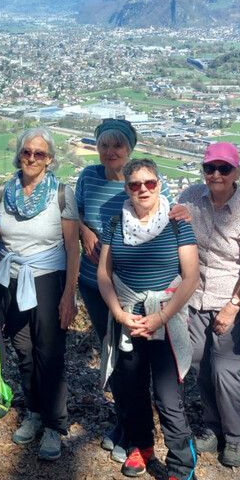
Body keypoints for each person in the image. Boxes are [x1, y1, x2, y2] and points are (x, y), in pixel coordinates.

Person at [97, 158, 200, 480]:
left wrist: (161, 317)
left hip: (165, 321)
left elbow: (190, 277)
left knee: (169, 398)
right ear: (126, 188)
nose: (142, 190)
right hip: (127, 317)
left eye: (149, 183)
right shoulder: (115, 223)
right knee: (130, 389)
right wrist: (119, 313)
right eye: (135, 185)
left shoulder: (176, 224)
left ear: (159, 184)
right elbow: (103, 274)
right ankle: (141, 446)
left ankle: (181, 469)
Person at [0, 128, 80, 461]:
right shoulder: (2, 192)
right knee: (22, 347)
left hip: (47, 278)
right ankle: (35, 411)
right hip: (10, 278)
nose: (32, 158)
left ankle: (55, 424)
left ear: (50, 159)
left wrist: (70, 295)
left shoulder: (62, 194)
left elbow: (72, 247)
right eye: (27, 152)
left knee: (49, 351)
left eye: (40, 154)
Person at [75, 118, 167, 460]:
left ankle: (135, 428)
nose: (110, 152)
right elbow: (76, 212)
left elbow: (163, 214)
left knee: (130, 357)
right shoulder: (88, 176)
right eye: (104, 145)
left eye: (118, 146)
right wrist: (85, 229)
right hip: (92, 280)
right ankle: (123, 420)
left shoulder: (137, 182)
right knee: (111, 353)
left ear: (129, 149)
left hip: (129, 287)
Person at [175, 142, 240, 469]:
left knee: (226, 371)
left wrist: (232, 307)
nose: (216, 174)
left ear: (236, 172)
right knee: (200, 365)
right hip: (194, 297)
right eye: (210, 168)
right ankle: (213, 428)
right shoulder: (190, 196)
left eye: (224, 169)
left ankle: (237, 437)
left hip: (229, 299)